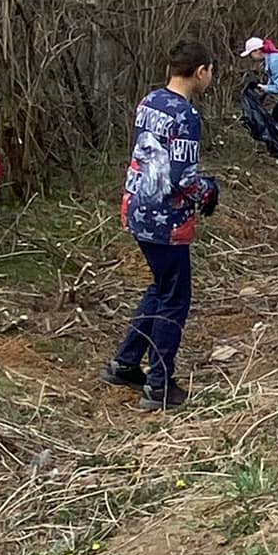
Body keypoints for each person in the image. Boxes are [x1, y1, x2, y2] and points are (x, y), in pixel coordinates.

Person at [104, 41, 221, 411]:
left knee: (161, 287)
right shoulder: (185, 116)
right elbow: (181, 178)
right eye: (210, 71)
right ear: (200, 71)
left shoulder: (149, 101)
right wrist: (209, 191)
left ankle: (125, 363)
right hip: (165, 219)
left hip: (136, 206)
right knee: (175, 298)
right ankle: (159, 383)